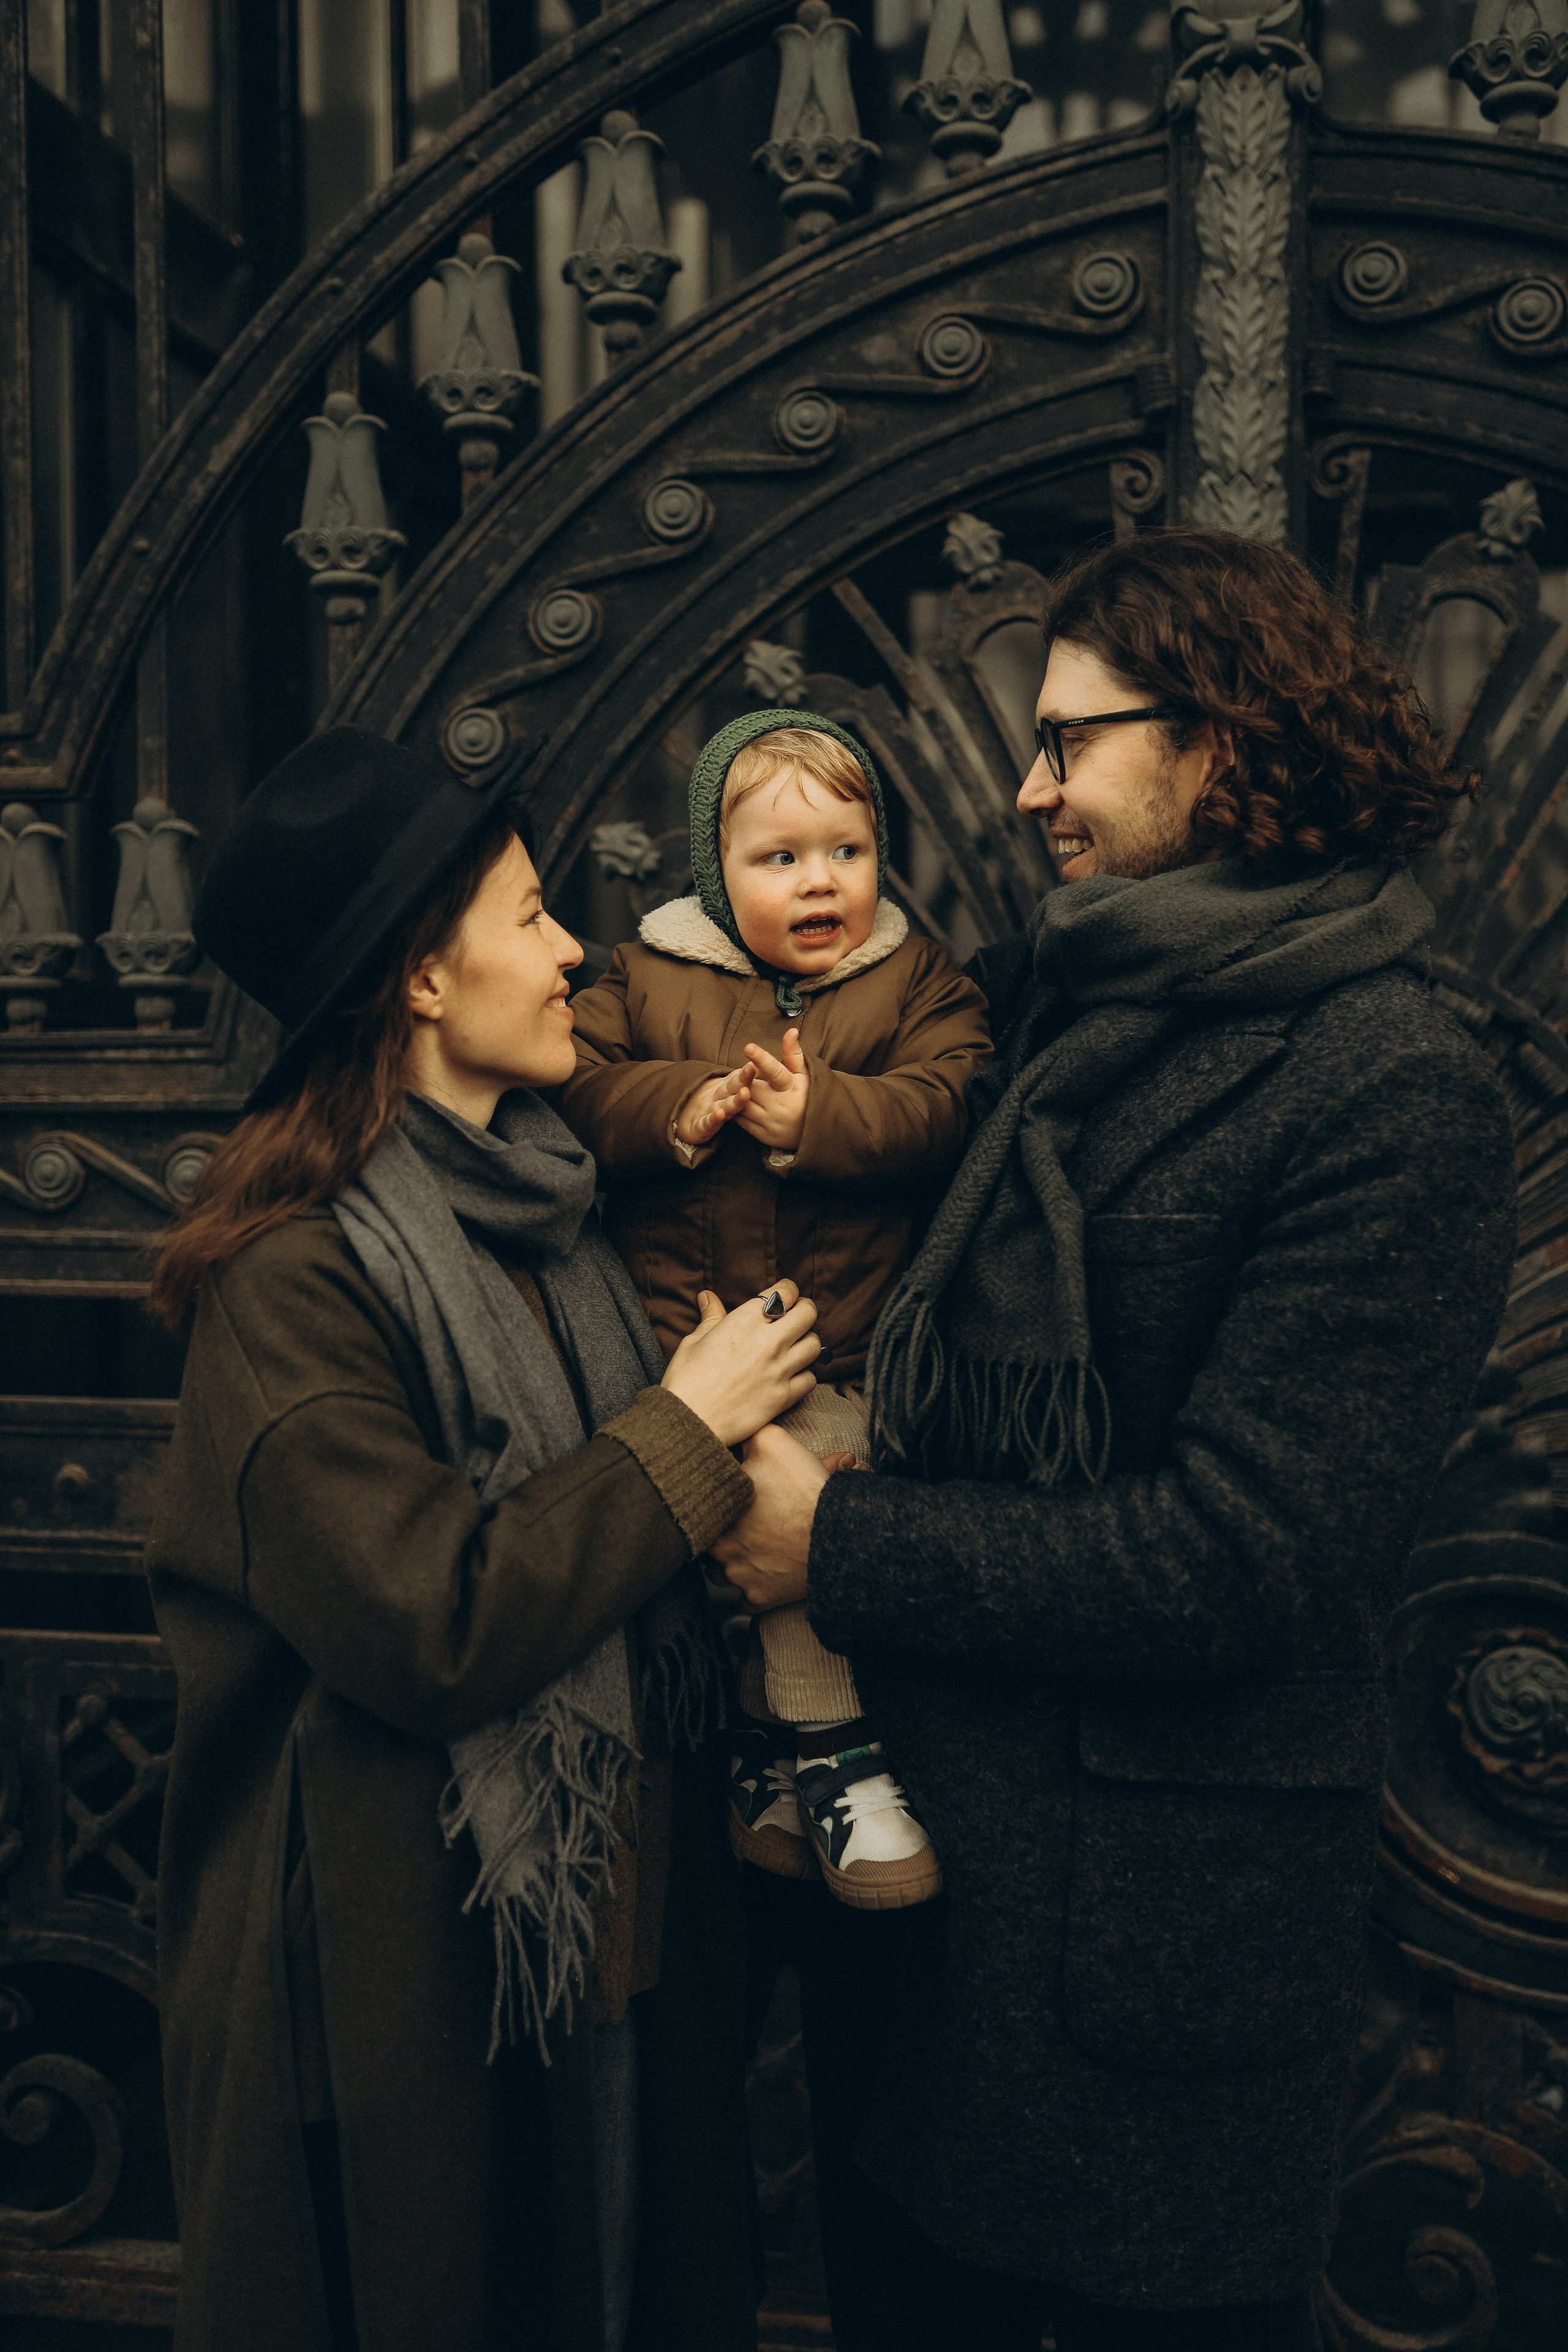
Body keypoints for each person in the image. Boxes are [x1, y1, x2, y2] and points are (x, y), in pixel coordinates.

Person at [711, 532, 1518, 2352]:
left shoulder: (1394, 1082)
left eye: (1070, 742)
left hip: (1141, 1961)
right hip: (922, 1918)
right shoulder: (1056, 994)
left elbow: (1247, 1555)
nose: (1027, 788)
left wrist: (831, 1546)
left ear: (1217, 746)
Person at [143, 727, 822, 2352]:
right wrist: (689, 1430)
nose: (576, 948)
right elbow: (428, 1622)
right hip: (410, 1991)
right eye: (530, 916)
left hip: (621, 1951)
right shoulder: (291, 1283)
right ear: (423, 981)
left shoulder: (556, 1213)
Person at [557, 712, 990, 1908]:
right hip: (676, 1344)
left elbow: (950, 1099)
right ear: (713, 869)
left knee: (808, 1533)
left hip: (831, 1343)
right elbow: (577, 1091)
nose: (819, 881)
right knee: (712, 1558)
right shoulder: (642, 975)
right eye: (779, 857)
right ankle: (764, 1758)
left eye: (845, 852)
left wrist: (828, 1122)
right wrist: (681, 1104)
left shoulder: (912, 978)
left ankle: (829, 1755)